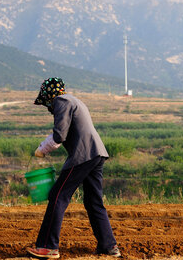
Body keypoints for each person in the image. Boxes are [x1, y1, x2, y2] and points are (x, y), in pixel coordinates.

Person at [27, 77, 121, 259]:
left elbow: (60, 134)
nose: (47, 106)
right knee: (94, 202)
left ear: (48, 96)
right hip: (97, 153)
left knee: (57, 196)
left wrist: (42, 149)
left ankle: (48, 247)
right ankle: (109, 246)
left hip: (83, 156)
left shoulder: (61, 101)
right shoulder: (74, 100)